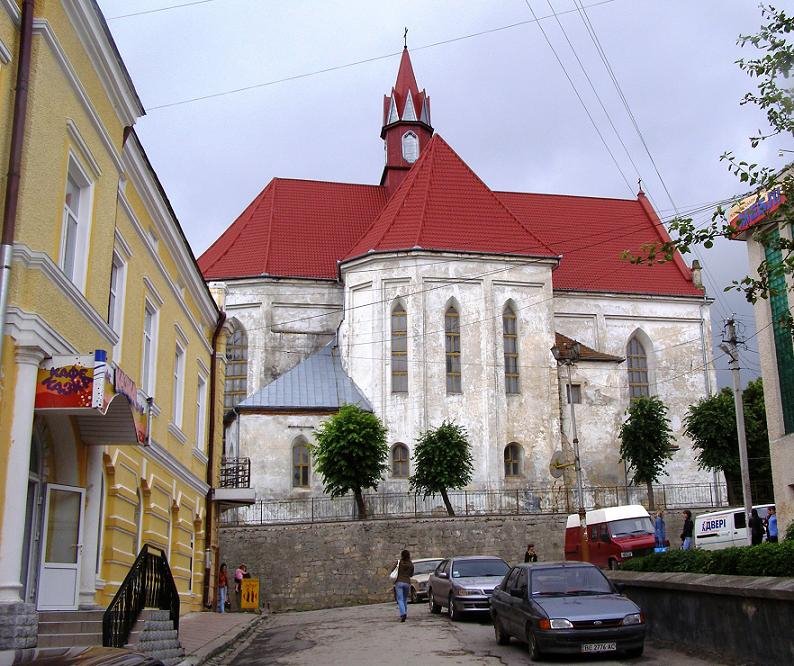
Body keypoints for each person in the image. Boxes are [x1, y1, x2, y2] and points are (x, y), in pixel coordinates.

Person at [393, 549, 414, 622]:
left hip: (399, 582)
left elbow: (393, 570)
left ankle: (403, 614)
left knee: (400, 599)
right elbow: (411, 575)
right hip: (407, 582)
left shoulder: (399, 562)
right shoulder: (411, 564)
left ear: (402, 555)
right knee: (404, 599)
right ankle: (405, 612)